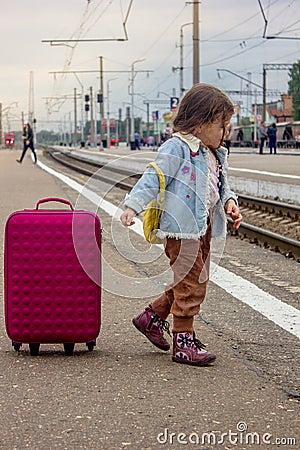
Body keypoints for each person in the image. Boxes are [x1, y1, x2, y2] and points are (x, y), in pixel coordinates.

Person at [120, 83, 242, 367]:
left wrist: (229, 203)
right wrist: (132, 206)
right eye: (221, 126)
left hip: (205, 227)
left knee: (187, 280)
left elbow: (221, 187)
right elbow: (155, 176)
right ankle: (183, 341)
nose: (225, 133)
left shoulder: (214, 152)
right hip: (181, 228)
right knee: (193, 282)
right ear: (199, 123)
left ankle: (150, 318)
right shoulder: (177, 147)